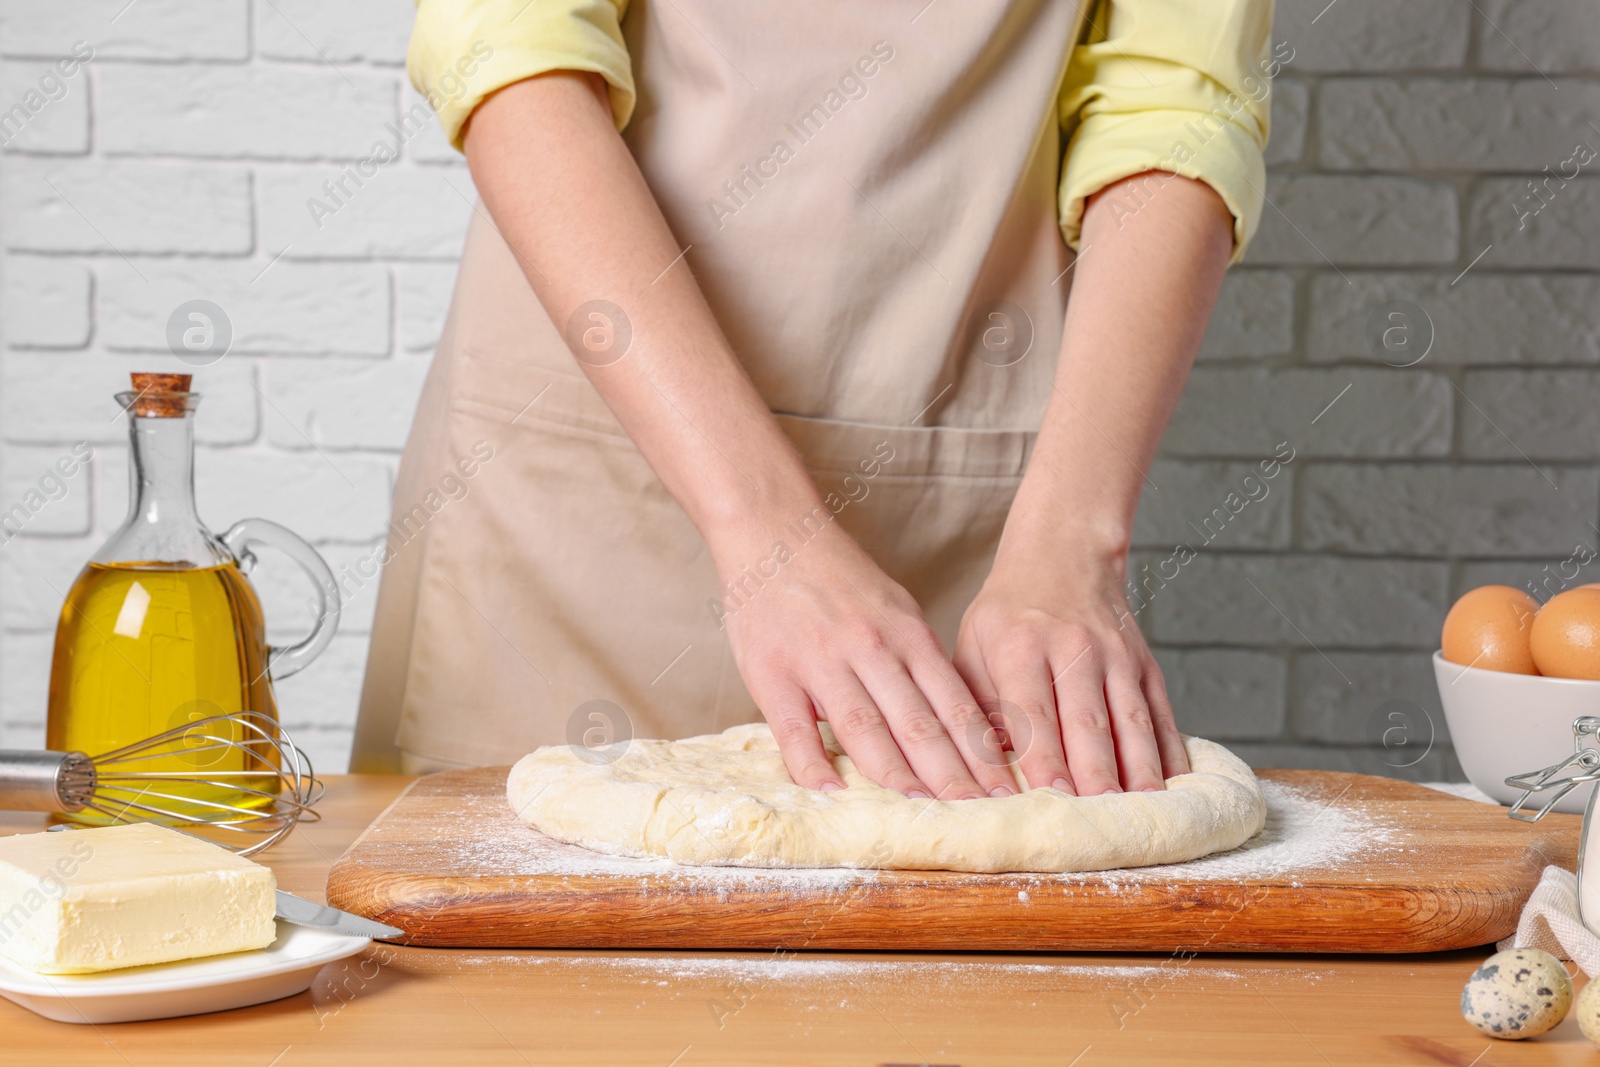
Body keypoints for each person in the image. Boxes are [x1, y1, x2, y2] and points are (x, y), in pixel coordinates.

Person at [352, 0, 1277, 802]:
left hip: (972, 539)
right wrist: (764, 532)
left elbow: (1176, 106)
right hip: (575, 498)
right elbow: (513, 48)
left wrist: (1071, 541)